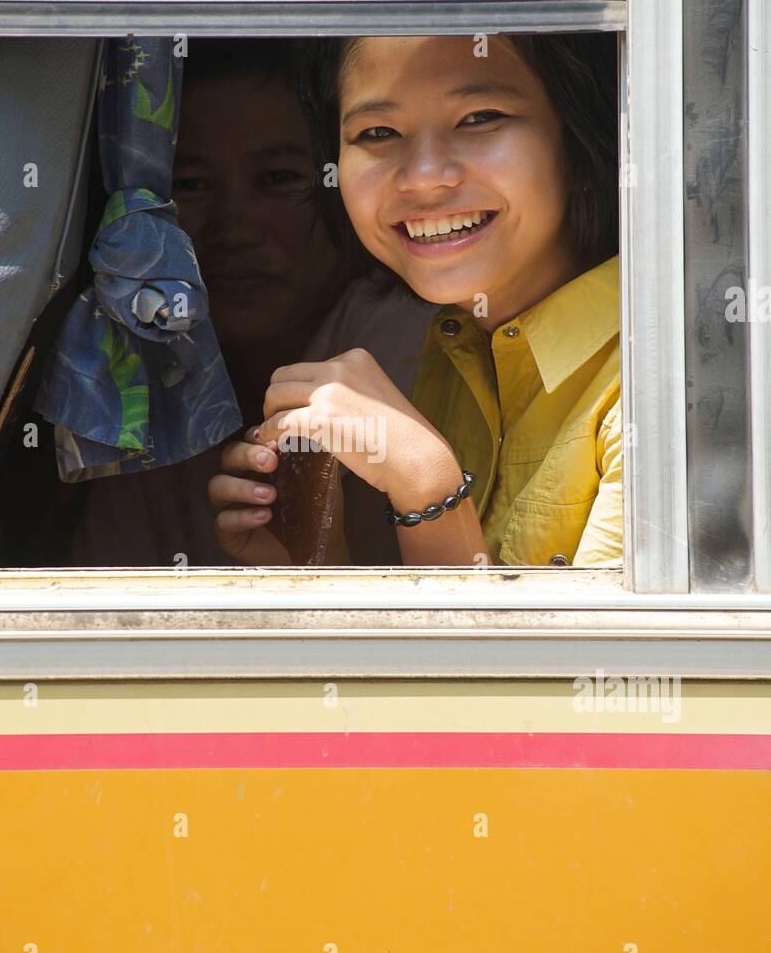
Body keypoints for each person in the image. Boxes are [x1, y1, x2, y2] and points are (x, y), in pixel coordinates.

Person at [209, 32, 622, 569]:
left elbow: (604, 656)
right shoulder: (456, 353)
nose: (424, 176)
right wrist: (313, 560)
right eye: (378, 132)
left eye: (480, 118)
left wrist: (426, 482)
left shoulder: (665, 395)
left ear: (579, 132)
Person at [69, 38, 433, 566]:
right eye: (190, 183)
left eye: (278, 178)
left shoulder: (418, 354)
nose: (233, 227)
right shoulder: (141, 402)